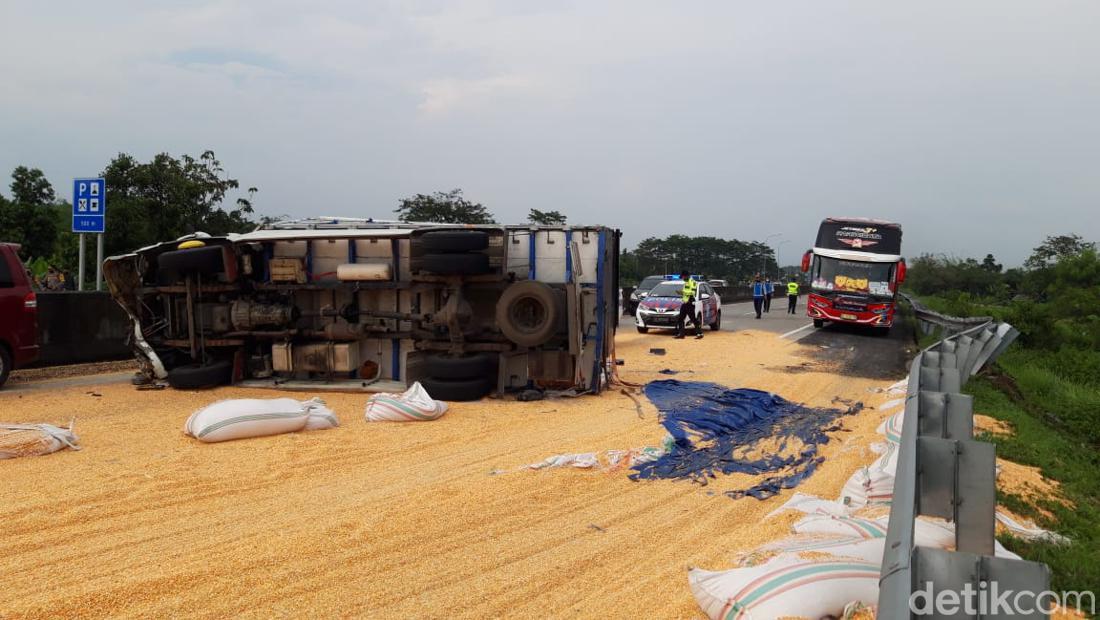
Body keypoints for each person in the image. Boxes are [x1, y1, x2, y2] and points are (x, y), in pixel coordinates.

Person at [675, 270, 703, 339]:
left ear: (687, 276)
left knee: (693, 319)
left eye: (683, 277)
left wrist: (683, 292)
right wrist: (682, 293)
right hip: (685, 303)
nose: (682, 278)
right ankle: (681, 334)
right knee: (680, 319)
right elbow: (686, 293)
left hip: (690, 303)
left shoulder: (692, 282)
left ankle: (699, 333)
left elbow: (692, 292)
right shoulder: (686, 283)